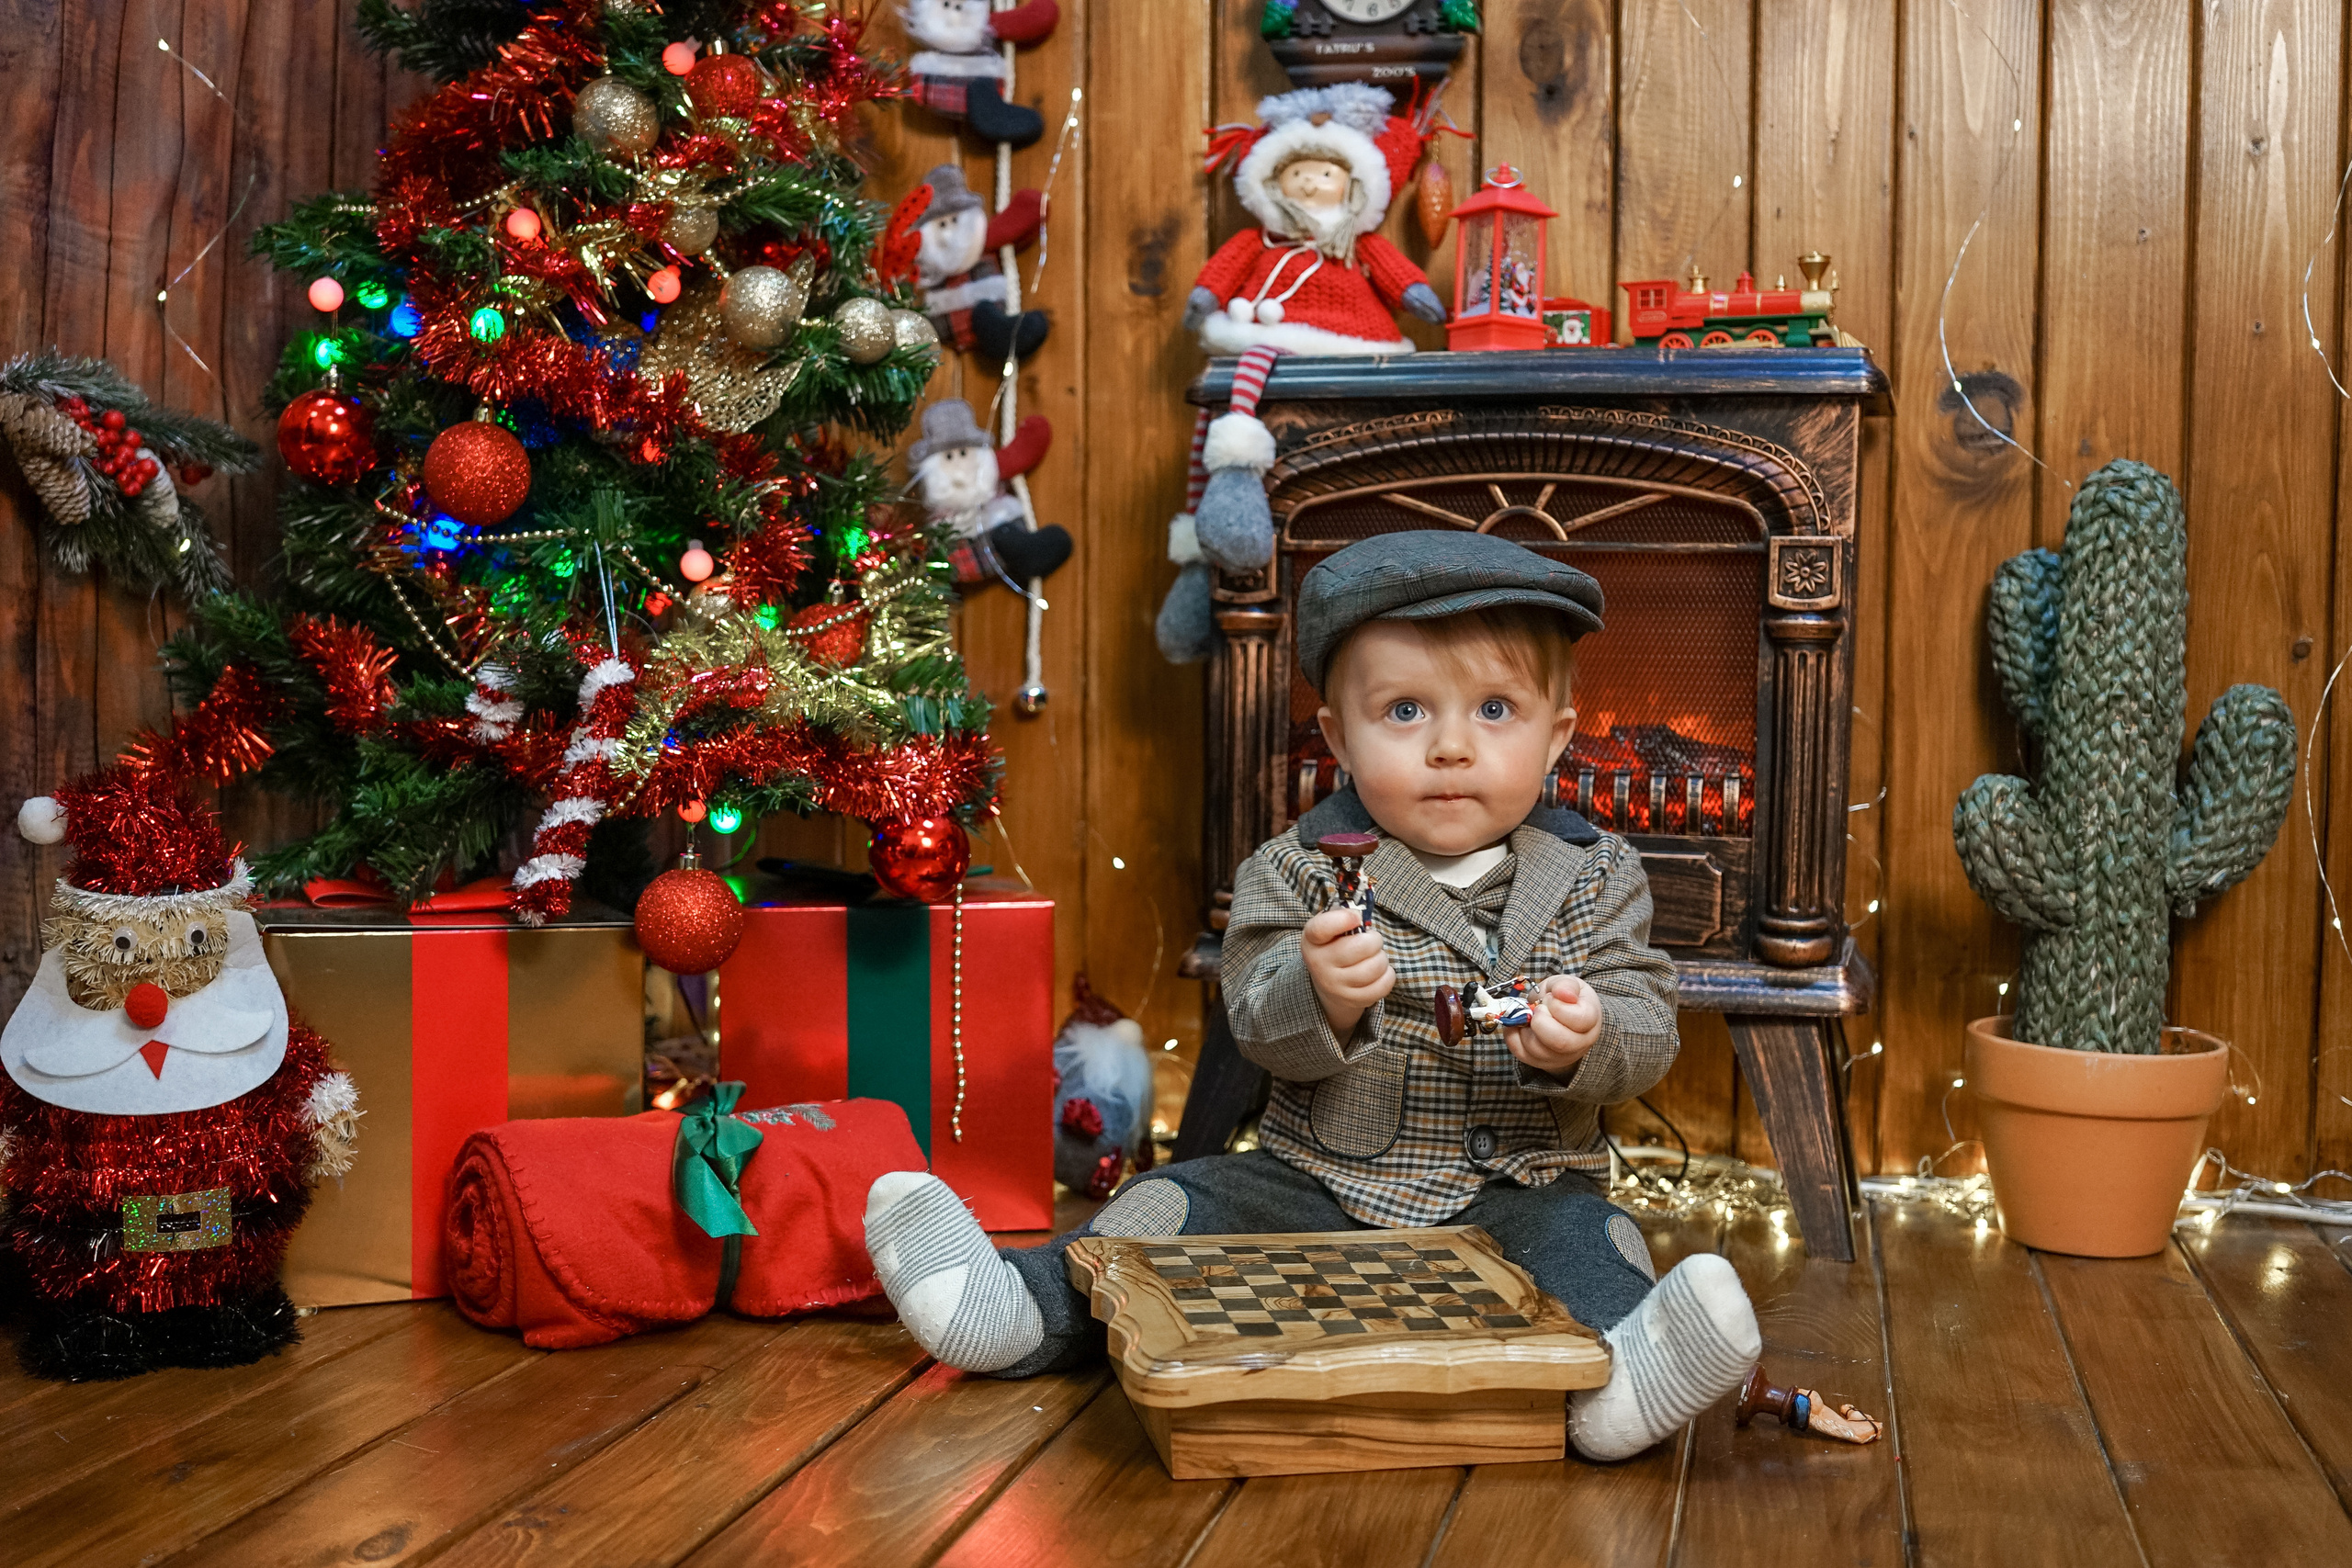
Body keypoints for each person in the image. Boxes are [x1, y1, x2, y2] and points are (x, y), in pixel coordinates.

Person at [863, 529, 1761, 1461]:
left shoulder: (1593, 874)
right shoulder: (1296, 871)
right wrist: (1318, 993)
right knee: (1163, 1206)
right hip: (1320, 1182)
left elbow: (1647, 1022)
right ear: (1337, 735)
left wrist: (1590, 1036)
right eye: (1405, 711)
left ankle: (1612, 1388)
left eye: (1495, 709)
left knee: (1599, 1241)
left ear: (1556, 736)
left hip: (1517, 1190)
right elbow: (1253, 1017)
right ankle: (1017, 1311)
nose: (1451, 748)